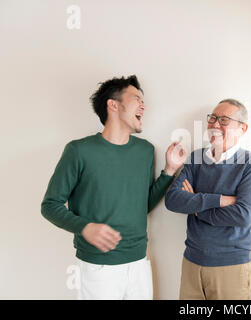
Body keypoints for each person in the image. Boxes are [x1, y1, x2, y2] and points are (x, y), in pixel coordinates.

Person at [41, 75, 186, 299]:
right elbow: (50, 205)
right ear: (113, 104)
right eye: (136, 98)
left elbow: (142, 205)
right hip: (97, 267)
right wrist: (85, 226)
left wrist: (168, 171)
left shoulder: (145, 150)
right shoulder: (79, 151)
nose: (143, 105)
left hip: (139, 263)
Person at [165, 99, 251, 300]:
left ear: (242, 129)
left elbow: (243, 215)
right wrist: (220, 200)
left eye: (224, 120)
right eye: (213, 118)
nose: (215, 125)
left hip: (231, 266)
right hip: (192, 262)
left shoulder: (250, 164)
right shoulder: (196, 158)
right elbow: (173, 199)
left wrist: (196, 206)